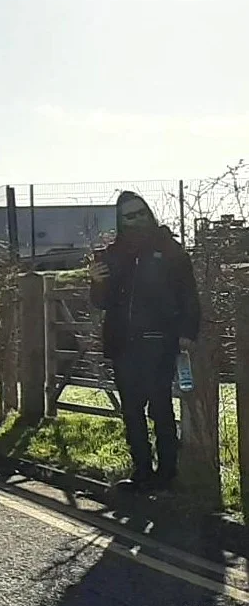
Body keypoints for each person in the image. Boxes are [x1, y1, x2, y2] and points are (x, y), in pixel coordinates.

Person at [89, 191, 201, 492]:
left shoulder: (169, 247)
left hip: (160, 341)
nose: (137, 219)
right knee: (132, 411)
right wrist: (97, 282)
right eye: (130, 215)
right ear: (121, 220)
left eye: (141, 212)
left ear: (149, 213)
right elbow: (102, 302)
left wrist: (187, 332)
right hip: (124, 343)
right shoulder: (113, 254)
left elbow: (188, 294)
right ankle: (142, 472)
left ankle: (167, 474)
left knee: (161, 408)